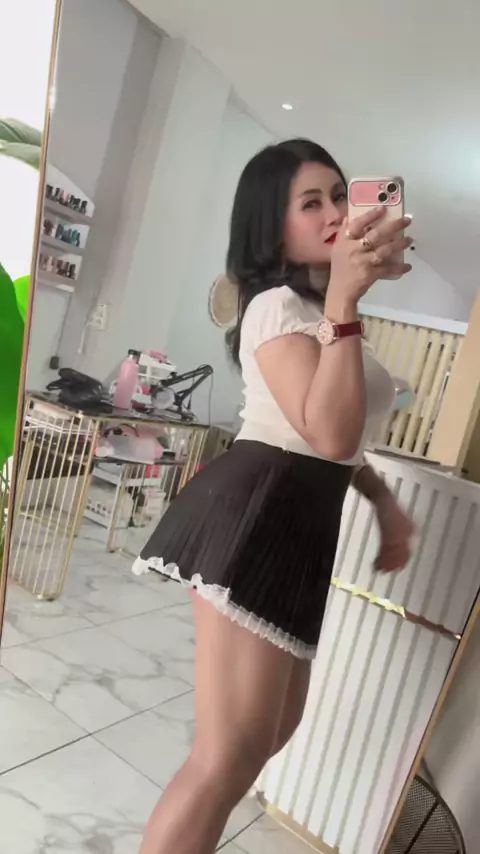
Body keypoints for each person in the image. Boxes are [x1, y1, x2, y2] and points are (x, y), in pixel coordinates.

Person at [133, 139, 415, 854]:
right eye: (310, 202)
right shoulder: (276, 306)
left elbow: (334, 439)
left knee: (269, 733)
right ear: (271, 226)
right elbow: (326, 431)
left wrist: (381, 502)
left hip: (299, 520)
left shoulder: (322, 311)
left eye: (339, 195)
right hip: (259, 510)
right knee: (226, 755)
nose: (334, 212)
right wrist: (345, 301)